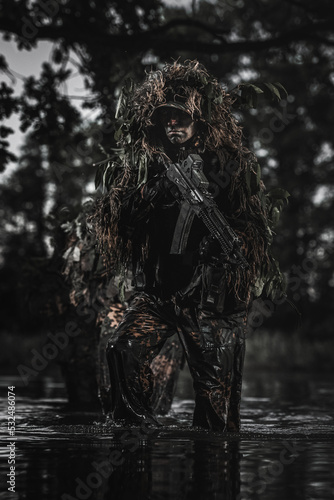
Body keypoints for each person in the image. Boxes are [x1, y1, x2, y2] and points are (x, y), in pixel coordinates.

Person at [91, 60, 285, 431]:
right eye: (166, 120)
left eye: (180, 118)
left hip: (207, 301)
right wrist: (155, 190)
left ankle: (212, 467)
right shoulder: (148, 167)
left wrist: (219, 256)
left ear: (199, 121)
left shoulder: (225, 164)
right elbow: (120, 218)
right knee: (121, 351)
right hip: (160, 292)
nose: (173, 125)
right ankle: (134, 435)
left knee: (215, 401)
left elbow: (250, 231)